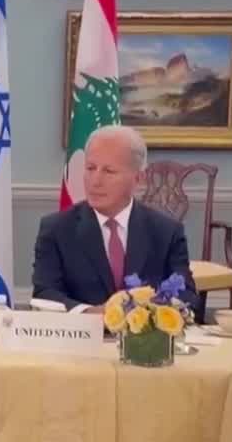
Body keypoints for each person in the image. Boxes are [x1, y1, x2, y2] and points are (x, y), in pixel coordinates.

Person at [32, 125, 195, 311]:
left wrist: (149, 312)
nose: (95, 181)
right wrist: (90, 313)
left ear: (138, 178)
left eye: (109, 171)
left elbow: (187, 296)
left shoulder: (166, 231)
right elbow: (45, 294)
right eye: (90, 168)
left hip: (143, 338)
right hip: (81, 336)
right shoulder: (56, 229)